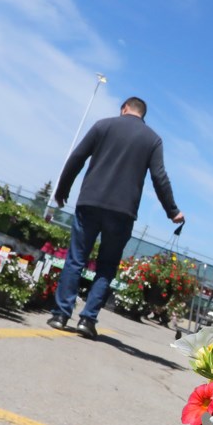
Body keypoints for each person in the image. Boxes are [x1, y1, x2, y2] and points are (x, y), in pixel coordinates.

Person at [47, 96, 185, 339]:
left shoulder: (103, 125)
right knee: (107, 266)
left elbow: (77, 158)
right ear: (142, 114)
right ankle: (87, 321)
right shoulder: (152, 139)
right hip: (122, 211)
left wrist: (62, 191)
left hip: (90, 202)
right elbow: (159, 177)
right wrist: (172, 211)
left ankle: (60, 315)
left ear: (124, 109)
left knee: (76, 259)